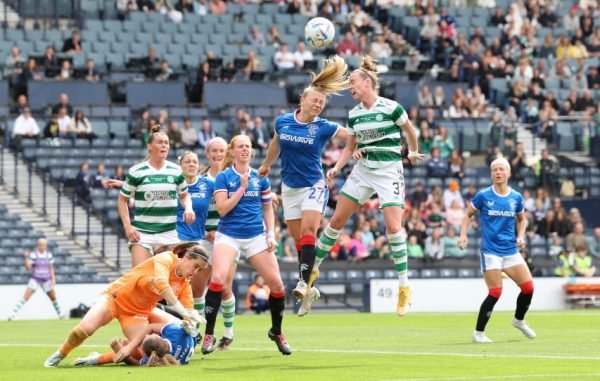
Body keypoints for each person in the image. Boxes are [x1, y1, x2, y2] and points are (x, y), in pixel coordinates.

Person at [313, 55, 426, 316]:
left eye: (352, 82)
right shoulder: (354, 115)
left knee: (393, 227)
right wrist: (337, 168)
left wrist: (413, 151)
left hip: (388, 172)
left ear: (367, 82)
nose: (349, 87)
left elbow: (409, 130)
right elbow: (350, 146)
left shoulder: (391, 107)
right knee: (336, 220)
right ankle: (312, 271)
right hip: (363, 171)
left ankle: (404, 287)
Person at [258, 55, 349, 316]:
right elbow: (276, 143)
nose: (319, 105)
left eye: (322, 102)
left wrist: (354, 151)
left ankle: (302, 282)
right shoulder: (283, 121)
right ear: (303, 101)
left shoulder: (323, 126)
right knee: (299, 241)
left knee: (309, 232)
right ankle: (310, 286)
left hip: (314, 185)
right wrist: (266, 164)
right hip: (290, 187)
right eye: (315, 100)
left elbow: (349, 136)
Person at [44, 243, 208, 367]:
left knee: (146, 352)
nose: (195, 272)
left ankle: (96, 359)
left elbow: (188, 312)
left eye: (199, 270)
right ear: (186, 256)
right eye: (196, 266)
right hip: (115, 298)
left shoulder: (185, 284)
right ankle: (61, 353)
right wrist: (180, 309)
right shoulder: (166, 259)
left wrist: (189, 323)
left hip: (138, 313)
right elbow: (161, 283)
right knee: (84, 330)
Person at [202, 135, 291, 356]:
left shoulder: (260, 176)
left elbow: (268, 207)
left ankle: (277, 331)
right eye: (240, 146)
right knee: (217, 280)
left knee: (278, 286)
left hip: (255, 236)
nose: (245, 150)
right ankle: (209, 333)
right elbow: (222, 209)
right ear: (232, 151)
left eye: (248, 147)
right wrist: (241, 189)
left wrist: (271, 234)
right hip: (229, 235)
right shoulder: (224, 177)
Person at [458, 157, 536, 344]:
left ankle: (518, 320)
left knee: (528, 288)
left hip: (510, 250)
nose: (498, 173)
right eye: (494, 170)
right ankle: (478, 333)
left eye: (501, 169)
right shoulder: (484, 196)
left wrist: (521, 235)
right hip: (491, 251)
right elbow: (468, 215)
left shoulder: (515, 197)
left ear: (508, 173)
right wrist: (463, 235)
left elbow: (522, 219)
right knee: (495, 292)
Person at [118, 125, 195, 266]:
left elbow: (184, 196)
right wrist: (128, 227)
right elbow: (122, 200)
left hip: (169, 234)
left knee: (170, 280)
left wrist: (188, 209)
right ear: (149, 146)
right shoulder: (136, 171)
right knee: (141, 280)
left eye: (166, 143)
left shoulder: (176, 170)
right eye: (160, 142)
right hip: (142, 234)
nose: (164, 145)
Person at [8, 239, 64, 321]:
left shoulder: (49, 255)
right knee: (25, 297)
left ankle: (60, 314)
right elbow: (28, 268)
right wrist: (26, 258)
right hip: (35, 279)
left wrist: (53, 278)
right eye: (42, 245)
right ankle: (12, 314)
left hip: (46, 279)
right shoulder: (34, 255)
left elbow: (51, 268)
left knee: (54, 297)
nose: (43, 247)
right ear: (38, 245)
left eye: (45, 245)